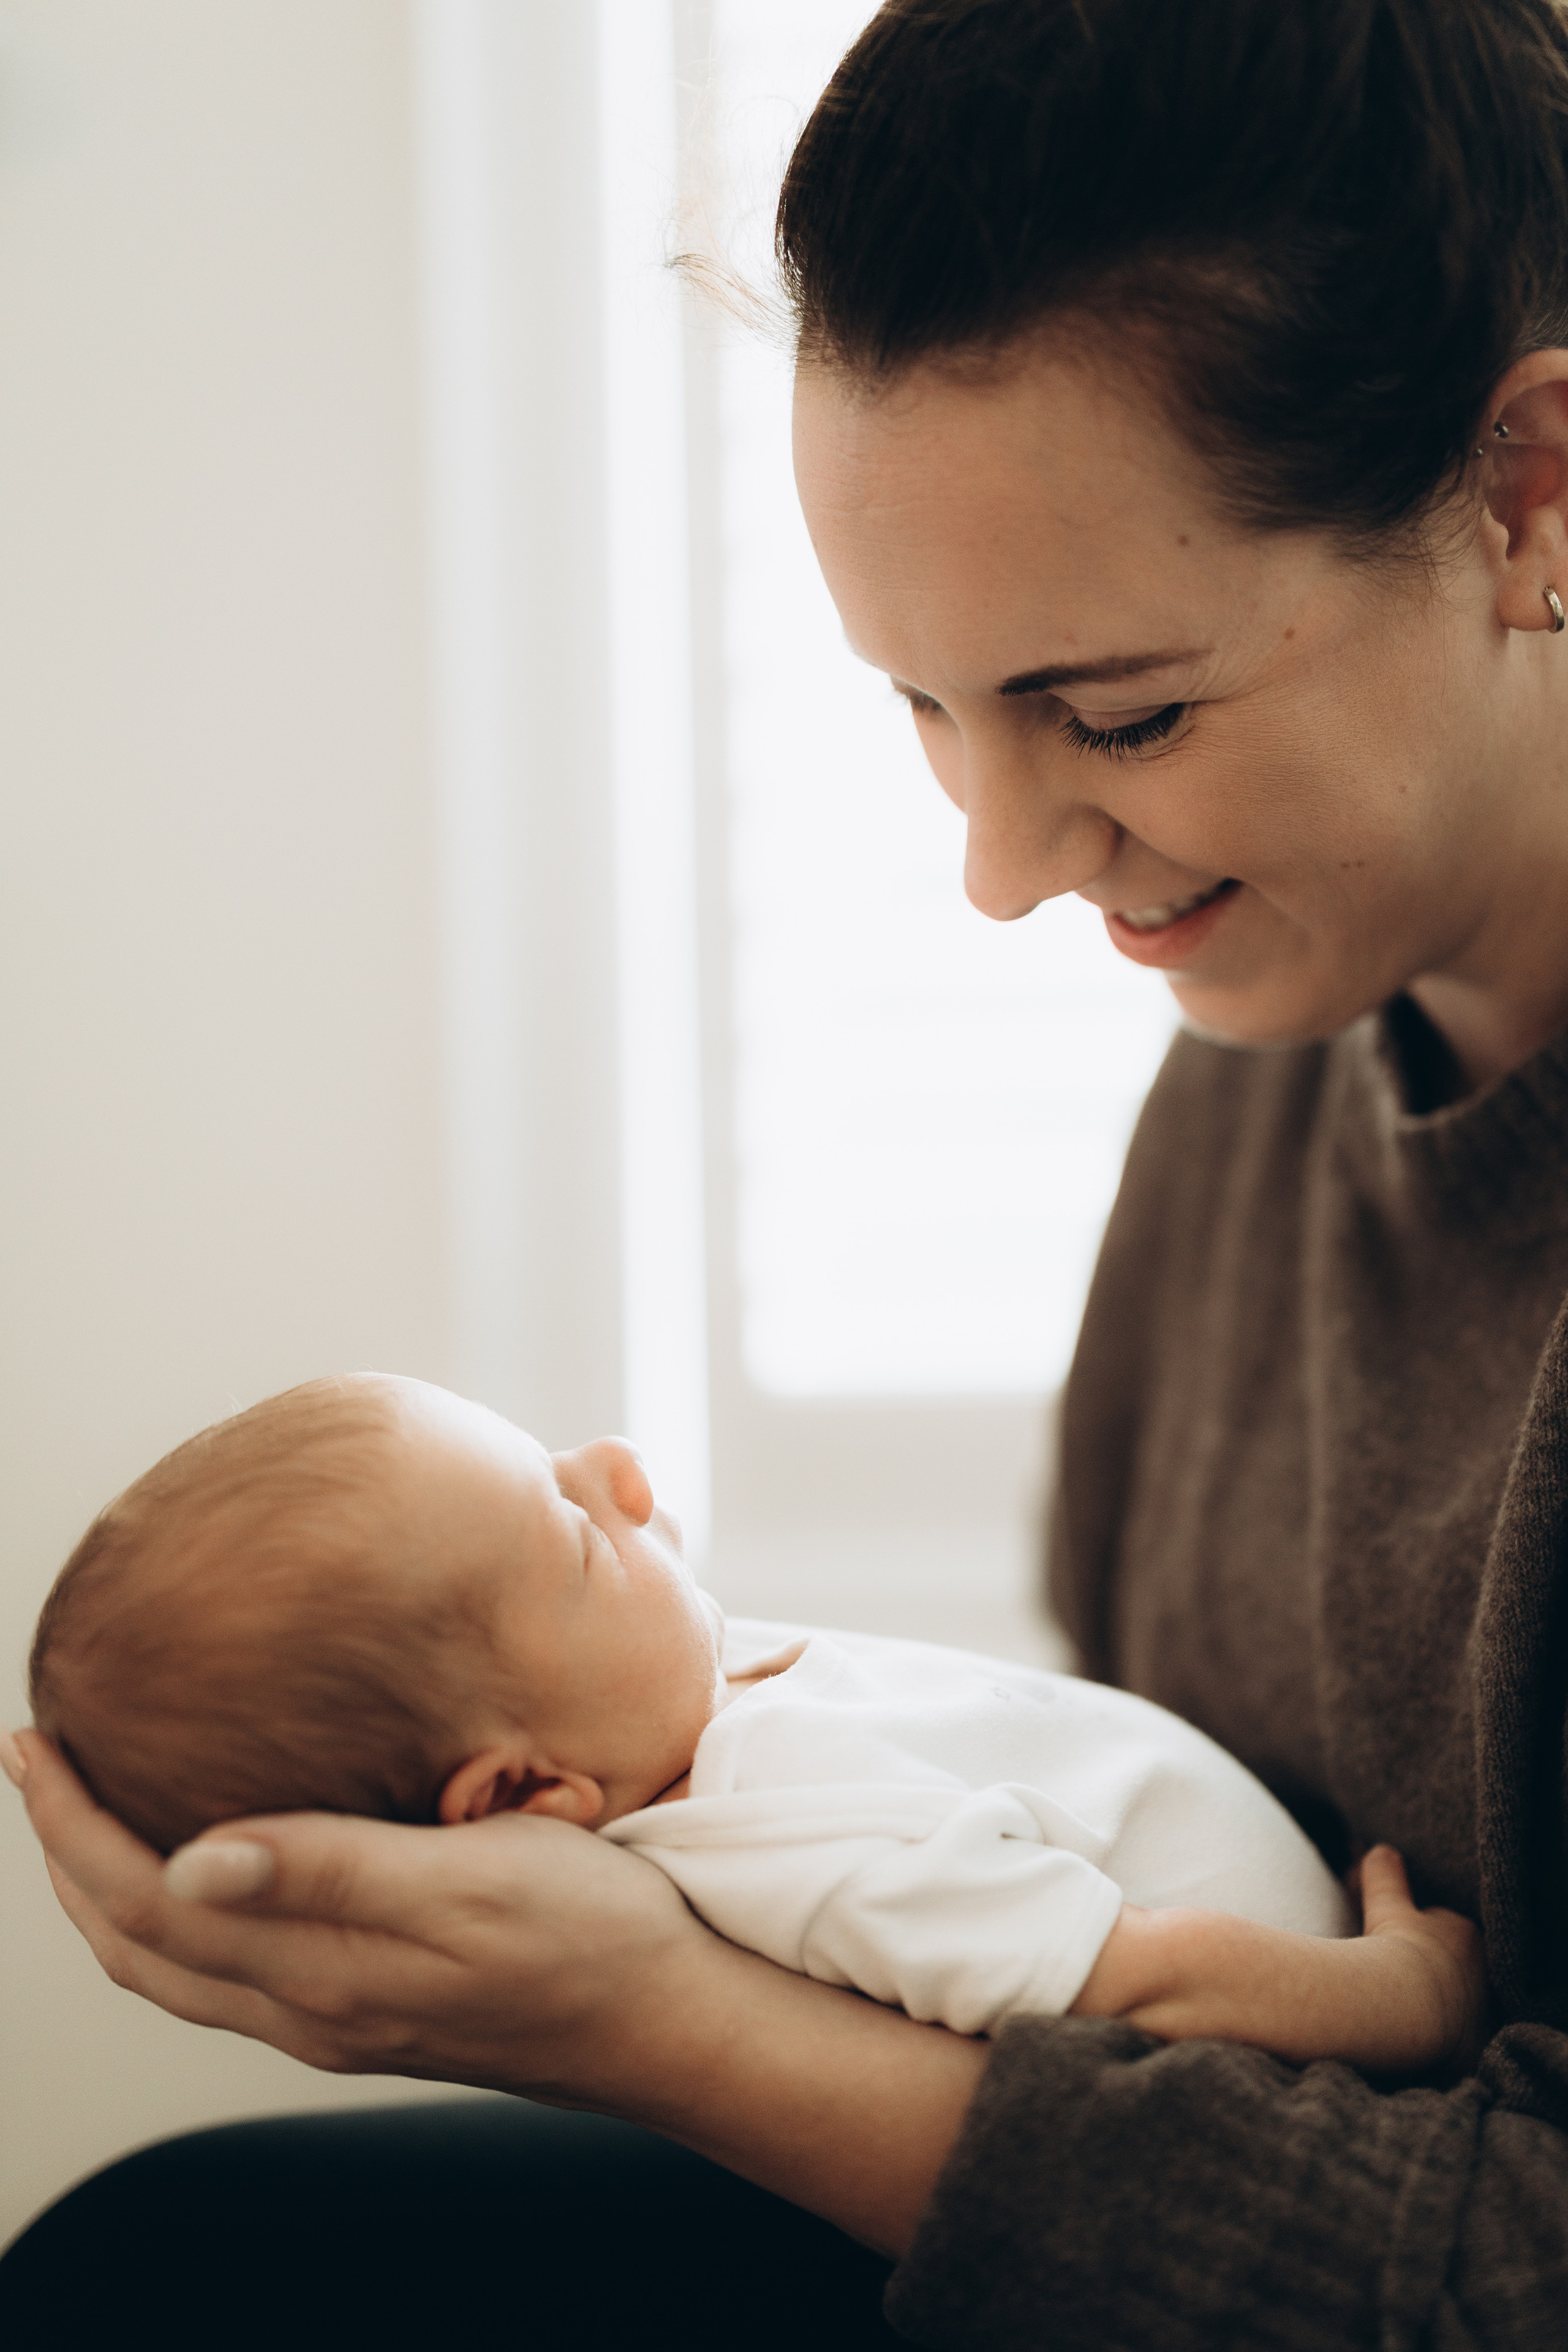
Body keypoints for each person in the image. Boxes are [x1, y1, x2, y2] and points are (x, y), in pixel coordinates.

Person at [8, 0, 1568, 2341]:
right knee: (156, 2271)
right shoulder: (1262, 1071)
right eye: (927, 709)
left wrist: (662, 2022)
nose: (1009, 866)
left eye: (1122, 714)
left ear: (1531, 492)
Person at [41, 1372, 1465, 2060]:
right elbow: (1129, 1981)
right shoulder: (783, 1839)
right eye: (575, 1535)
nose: (622, 1474)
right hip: (1304, 2059)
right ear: (526, 1798)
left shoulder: (682, 1711)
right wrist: (1398, 2001)